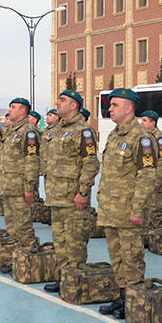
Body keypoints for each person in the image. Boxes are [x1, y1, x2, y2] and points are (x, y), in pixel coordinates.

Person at [96, 88, 157, 319]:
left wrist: (138, 209)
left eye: (114, 105)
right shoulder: (115, 135)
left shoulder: (141, 138)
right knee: (117, 257)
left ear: (128, 108)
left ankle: (133, 299)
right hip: (112, 209)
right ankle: (122, 296)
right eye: (110, 105)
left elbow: (146, 175)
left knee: (131, 259)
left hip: (129, 211)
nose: (110, 109)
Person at [42, 90, 101, 292]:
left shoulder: (84, 131)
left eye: (62, 100)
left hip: (73, 197)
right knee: (60, 241)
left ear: (74, 105)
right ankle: (64, 279)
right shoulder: (55, 130)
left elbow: (91, 162)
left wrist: (83, 191)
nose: (57, 103)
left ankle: (75, 281)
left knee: (75, 242)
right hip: (55, 196)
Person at [0, 98, 42, 270]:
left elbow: (32, 161)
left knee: (23, 226)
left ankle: (28, 261)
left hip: (20, 188)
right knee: (12, 225)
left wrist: (29, 187)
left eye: (13, 107)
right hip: (8, 185)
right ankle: (17, 259)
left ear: (23, 111)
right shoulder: (10, 131)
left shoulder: (28, 132)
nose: (10, 110)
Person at [140, 110, 162, 230]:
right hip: (145, 181)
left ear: (153, 123)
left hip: (155, 182)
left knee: (155, 211)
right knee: (144, 210)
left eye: (145, 120)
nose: (141, 123)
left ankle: (158, 237)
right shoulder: (144, 137)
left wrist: (158, 180)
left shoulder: (160, 138)